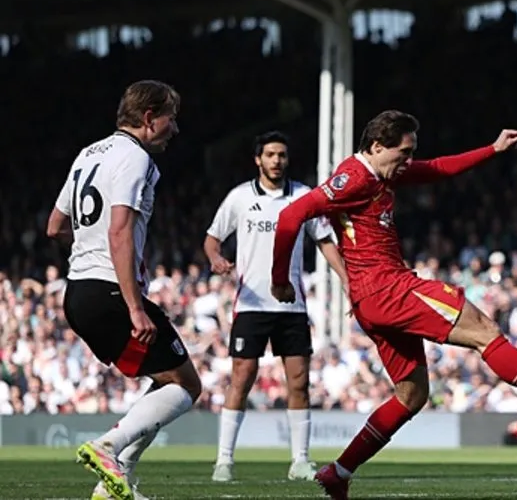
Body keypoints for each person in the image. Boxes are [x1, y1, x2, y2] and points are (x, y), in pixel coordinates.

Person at [271, 110, 517, 500]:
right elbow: (291, 215)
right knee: (484, 331)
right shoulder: (354, 177)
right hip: (388, 288)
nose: (408, 161)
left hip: (371, 298)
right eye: (404, 153)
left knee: (412, 394)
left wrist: (492, 148)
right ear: (376, 146)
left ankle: (339, 472)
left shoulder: (380, 172)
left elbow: (438, 168)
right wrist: (280, 279)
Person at [47, 81, 200, 500]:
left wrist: (85, 253)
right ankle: (109, 448)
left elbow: (55, 227)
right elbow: (119, 230)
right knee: (187, 386)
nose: (175, 129)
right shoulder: (136, 158)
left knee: (166, 380)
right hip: (112, 294)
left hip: (78, 295)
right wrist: (135, 307)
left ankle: (114, 484)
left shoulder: (87, 154)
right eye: (171, 118)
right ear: (149, 118)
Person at [205, 131, 348, 482]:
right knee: (241, 378)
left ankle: (300, 460)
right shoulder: (239, 198)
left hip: (292, 306)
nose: (276, 161)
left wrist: (345, 278)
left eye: (281, 155)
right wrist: (215, 258)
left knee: (299, 382)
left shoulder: (303, 197)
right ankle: (224, 460)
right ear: (258, 159)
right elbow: (212, 238)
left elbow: (325, 239)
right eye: (270, 154)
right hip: (251, 304)